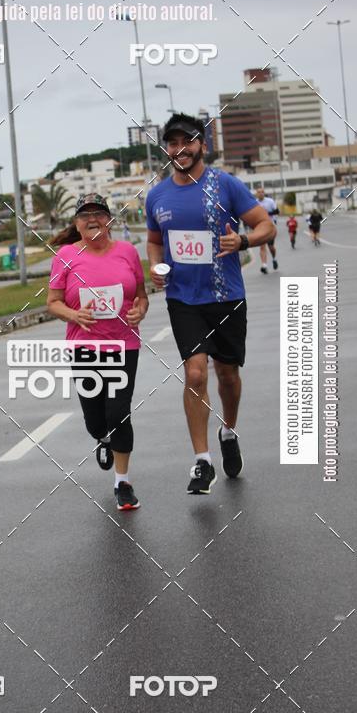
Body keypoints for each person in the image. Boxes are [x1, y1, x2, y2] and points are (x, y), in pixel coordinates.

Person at [146, 113, 276, 495]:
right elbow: (155, 239)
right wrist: (155, 264)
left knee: (228, 376)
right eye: (172, 143)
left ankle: (228, 431)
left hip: (227, 296)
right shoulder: (157, 195)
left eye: (187, 141)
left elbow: (264, 224)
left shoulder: (225, 184)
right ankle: (202, 462)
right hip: (183, 298)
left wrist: (245, 242)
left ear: (202, 144)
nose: (179, 149)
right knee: (196, 374)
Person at [47, 193, 148, 510]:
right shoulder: (64, 256)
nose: (93, 220)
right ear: (76, 224)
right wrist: (73, 315)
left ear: (110, 220)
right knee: (95, 419)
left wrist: (140, 311)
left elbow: (143, 296)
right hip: (84, 346)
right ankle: (102, 439)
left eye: (99, 214)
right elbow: (52, 302)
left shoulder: (128, 252)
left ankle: (123, 483)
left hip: (123, 345)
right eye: (85, 215)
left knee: (119, 412)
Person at [255, 187, 279, 273]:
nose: (261, 193)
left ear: (264, 193)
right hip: (260, 226)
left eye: (262, 192)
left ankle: (274, 258)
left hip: (270, 225)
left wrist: (266, 214)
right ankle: (264, 265)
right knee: (262, 246)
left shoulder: (270, 201)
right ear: (256, 194)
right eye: (259, 192)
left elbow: (277, 211)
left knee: (271, 247)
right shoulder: (255, 203)